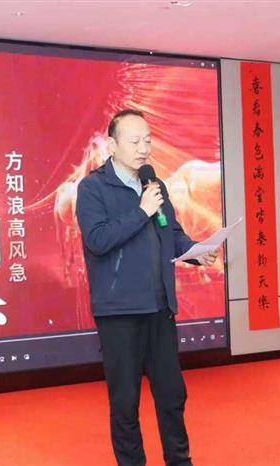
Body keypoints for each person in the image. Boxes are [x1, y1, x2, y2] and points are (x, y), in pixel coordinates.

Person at [75, 109, 217, 466]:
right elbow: (98, 240)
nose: (144, 148)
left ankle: (179, 461)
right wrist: (141, 211)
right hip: (119, 312)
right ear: (112, 145)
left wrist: (197, 252)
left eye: (148, 140)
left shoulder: (155, 186)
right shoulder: (92, 188)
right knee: (125, 402)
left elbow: (172, 233)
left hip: (160, 308)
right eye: (135, 141)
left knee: (172, 395)